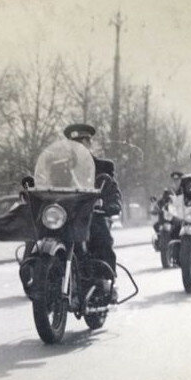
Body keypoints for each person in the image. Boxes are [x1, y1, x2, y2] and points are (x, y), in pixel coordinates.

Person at [63, 124, 122, 302]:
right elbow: (47, 185)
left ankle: (106, 283)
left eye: (82, 142)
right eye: (74, 143)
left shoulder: (103, 167)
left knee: (101, 237)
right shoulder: (60, 168)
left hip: (92, 216)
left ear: (89, 143)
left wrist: (107, 204)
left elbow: (112, 193)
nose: (78, 147)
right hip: (66, 216)